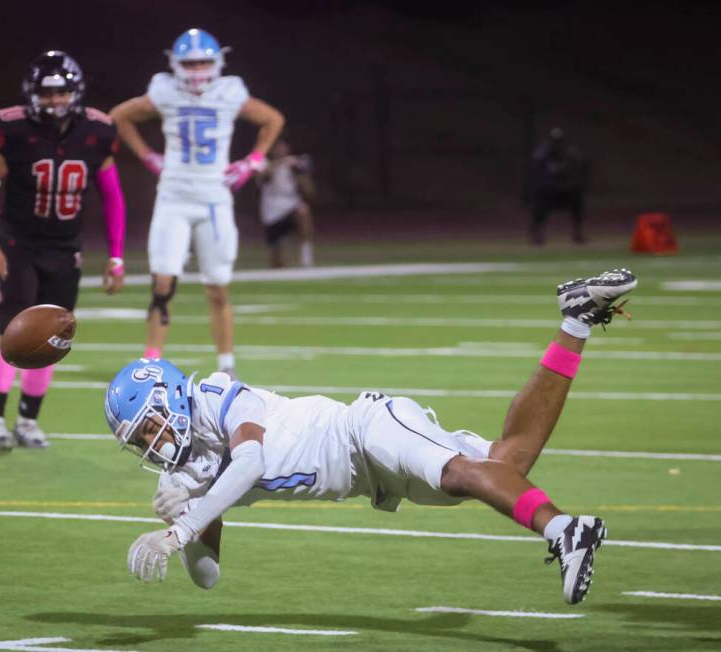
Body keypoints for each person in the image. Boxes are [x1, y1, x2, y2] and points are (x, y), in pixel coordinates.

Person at [105, 268, 638, 604]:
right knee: (506, 465)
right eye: (138, 440)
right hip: (371, 481)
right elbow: (208, 579)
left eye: (149, 425)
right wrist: (189, 519)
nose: (151, 443)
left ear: (172, 396)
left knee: (460, 474)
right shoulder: (185, 475)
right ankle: (577, 321)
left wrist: (183, 527)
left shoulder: (217, 396)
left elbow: (248, 462)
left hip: (365, 429)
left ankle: (567, 530)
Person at [0, 50, 127, 452]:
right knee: (11, 332)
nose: (54, 101)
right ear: (32, 94)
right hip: (16, 244)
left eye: (61, 92)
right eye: (46, 93)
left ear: (76, 92)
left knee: (53, 338)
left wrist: (116, 254)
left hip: (64, 248)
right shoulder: (12, 130)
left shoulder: (97, 131)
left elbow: (111, 196)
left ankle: (28, 421)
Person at [109, 28, 285, 380]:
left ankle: (227, 365)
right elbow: (118, 116)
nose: (196, 70)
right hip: (173, 194)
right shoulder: (164, 91)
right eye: (189, 63)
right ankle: (152, 361)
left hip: (214, 200)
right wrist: (147, 156)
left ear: (216, 62)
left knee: (217, 287)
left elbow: (272, 119)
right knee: (163, 283)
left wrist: (253, 161)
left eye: (203, 61)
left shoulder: (229, 92)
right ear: (176, 65)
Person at [524, 127, 589, 245]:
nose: (557, 142)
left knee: (577, 197)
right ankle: (537, 234)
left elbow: (579, 164)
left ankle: (577, 233)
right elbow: (537, 170)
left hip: (563, 190)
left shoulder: (567, 152)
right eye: (555, 139)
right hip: (547, 190)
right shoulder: (542, 152)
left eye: (559, 139)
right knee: (540, 204)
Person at [257, 136, 315, 268]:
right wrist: (283, 161)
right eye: (277, 147)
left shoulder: (293, 166)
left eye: (283, 146)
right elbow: (265, 175)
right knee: (277, 263)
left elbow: (310, 191)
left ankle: (306, 257)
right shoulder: (264, 162)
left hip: (291, 206)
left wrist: (303, 173)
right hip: (271, 212)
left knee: (303, 211)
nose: (281, 149)